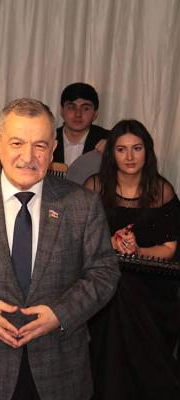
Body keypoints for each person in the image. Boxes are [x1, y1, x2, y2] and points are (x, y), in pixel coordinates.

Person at [0, 98, 120, 400]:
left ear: (53, 149)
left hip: (60, 366)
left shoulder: (83, 204)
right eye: (17, 143)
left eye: (40, 145)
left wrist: (60, 313)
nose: (28, 157)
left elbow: (104, 273)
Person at [84, 119, 180, 400]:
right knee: (116, 286)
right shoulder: (94, 186)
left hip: (151, 282)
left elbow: (169, 249)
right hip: (101, 275)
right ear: (111, 153)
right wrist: (109, 244)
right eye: (121, 149)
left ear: (147, 151)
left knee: (123, 288)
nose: (129, 156)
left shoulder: (162, 190)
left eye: (137, 148)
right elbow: (76, 241)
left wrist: (137, 251)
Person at [54, 82, 109, 166]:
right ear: (62, 111)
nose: (78, 114)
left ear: (95, 113)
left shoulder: (109, 140)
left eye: (85, 108)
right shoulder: (49, 140)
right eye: (71, 107)